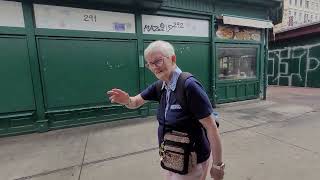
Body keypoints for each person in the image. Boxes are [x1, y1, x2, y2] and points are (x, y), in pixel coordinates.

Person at [107, 40, 224, 180]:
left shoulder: (189, 86)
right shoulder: (160, 85)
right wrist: (126, 100)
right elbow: (135, 102)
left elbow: (211, 127)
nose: (154, 67)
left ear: (173, 59)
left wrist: (217, 165)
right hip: (171, 157)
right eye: (150, 64)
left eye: (158, 61)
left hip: (192, 161)